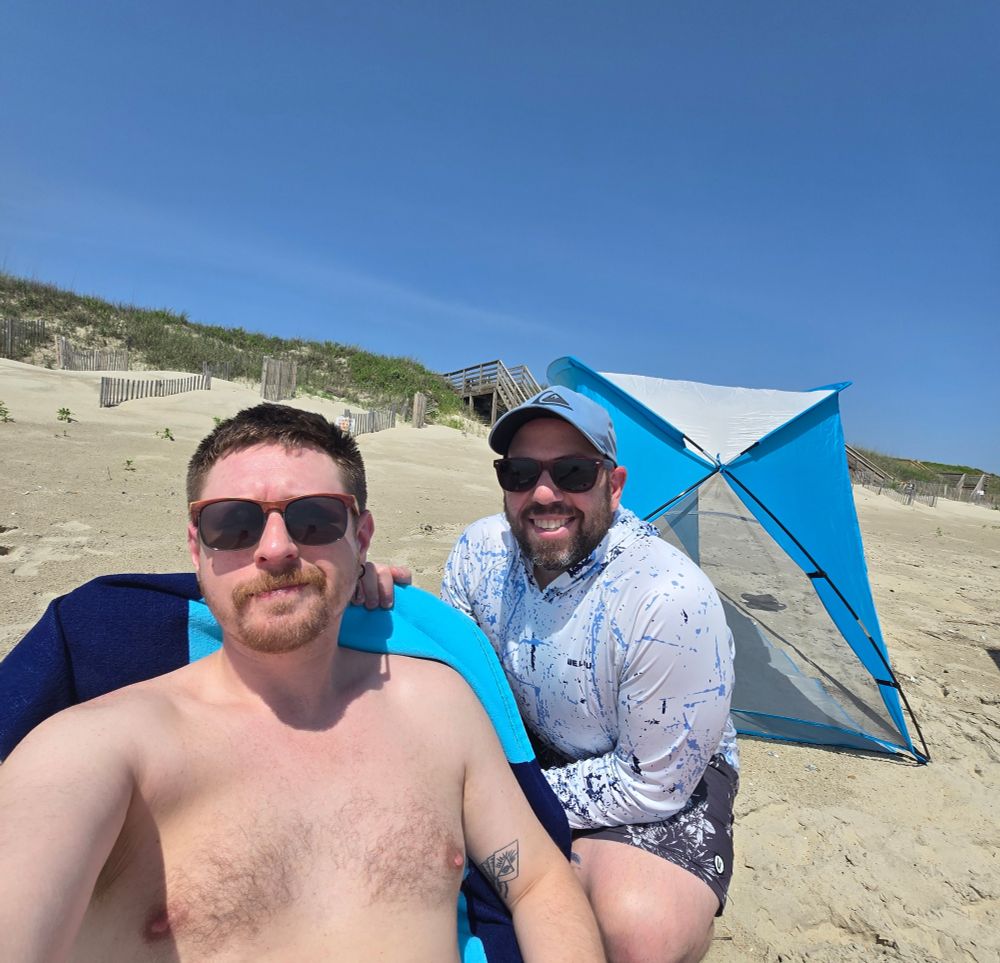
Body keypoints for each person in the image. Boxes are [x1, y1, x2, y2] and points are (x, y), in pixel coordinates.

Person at [0, 403, 604, 963]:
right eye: (233, 524)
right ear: (196, 547)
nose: (276, 549)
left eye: (314, 519)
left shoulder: (440, 703)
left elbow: (540, 882)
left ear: (361, 538)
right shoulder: (103, 748)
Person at [362, 387, 739, 963]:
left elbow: (650, 784)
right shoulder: (479, 550)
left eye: (572, 472)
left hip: (655, 771)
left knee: (642, 931)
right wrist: (377, 613)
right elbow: (454, 675)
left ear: (613, 486)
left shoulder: (668, 599)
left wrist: (495, 798)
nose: (544, 493)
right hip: (530, 742)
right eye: (520, 472)